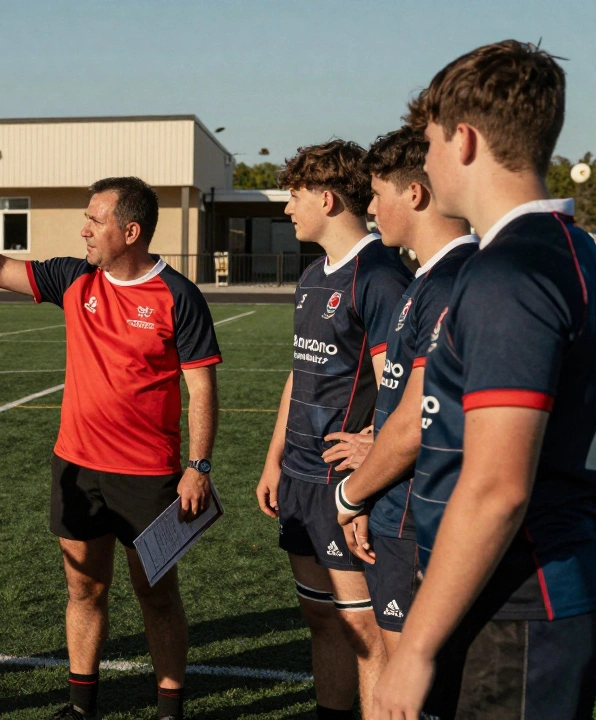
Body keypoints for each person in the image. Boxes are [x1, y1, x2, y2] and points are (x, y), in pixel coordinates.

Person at [0, 176, 220, 720]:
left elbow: (201, 386)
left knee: (156, 594)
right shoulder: (74, 278)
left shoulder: (178, 295)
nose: (83, 228)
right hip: (78, 467)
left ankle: (169, 708)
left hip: (149, 475)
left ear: (130, 231)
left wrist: (198, 466)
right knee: (84, 588)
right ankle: (81, 705)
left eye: (95, 219)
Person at [373, 40, 596, 718]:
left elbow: (497, 487)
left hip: (516, 602)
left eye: (430, 141)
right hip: (546, 589)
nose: (428, 160)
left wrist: (412, 650)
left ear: (463, 139)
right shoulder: (572, 249)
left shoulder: (508, 277)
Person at [253, 139, 412, 719]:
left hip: (345, 484)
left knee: (365, 633)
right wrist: (273, 459)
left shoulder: (379, 277)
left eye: (293, 197)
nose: (287, 210)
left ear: (326, 198)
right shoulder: (314, 275)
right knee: (321, 618)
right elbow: (300, 374)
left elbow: (399, 386)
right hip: (298, 477)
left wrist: (372, 454)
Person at [327, 127, 476, 661]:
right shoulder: (425, 278)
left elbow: (417, 425)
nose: (368, 208)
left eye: (375, 194)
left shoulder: (449, 281)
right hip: (395, 508)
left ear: (414, 194)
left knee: (410, 680)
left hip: (417, 519)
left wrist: (349, 495)